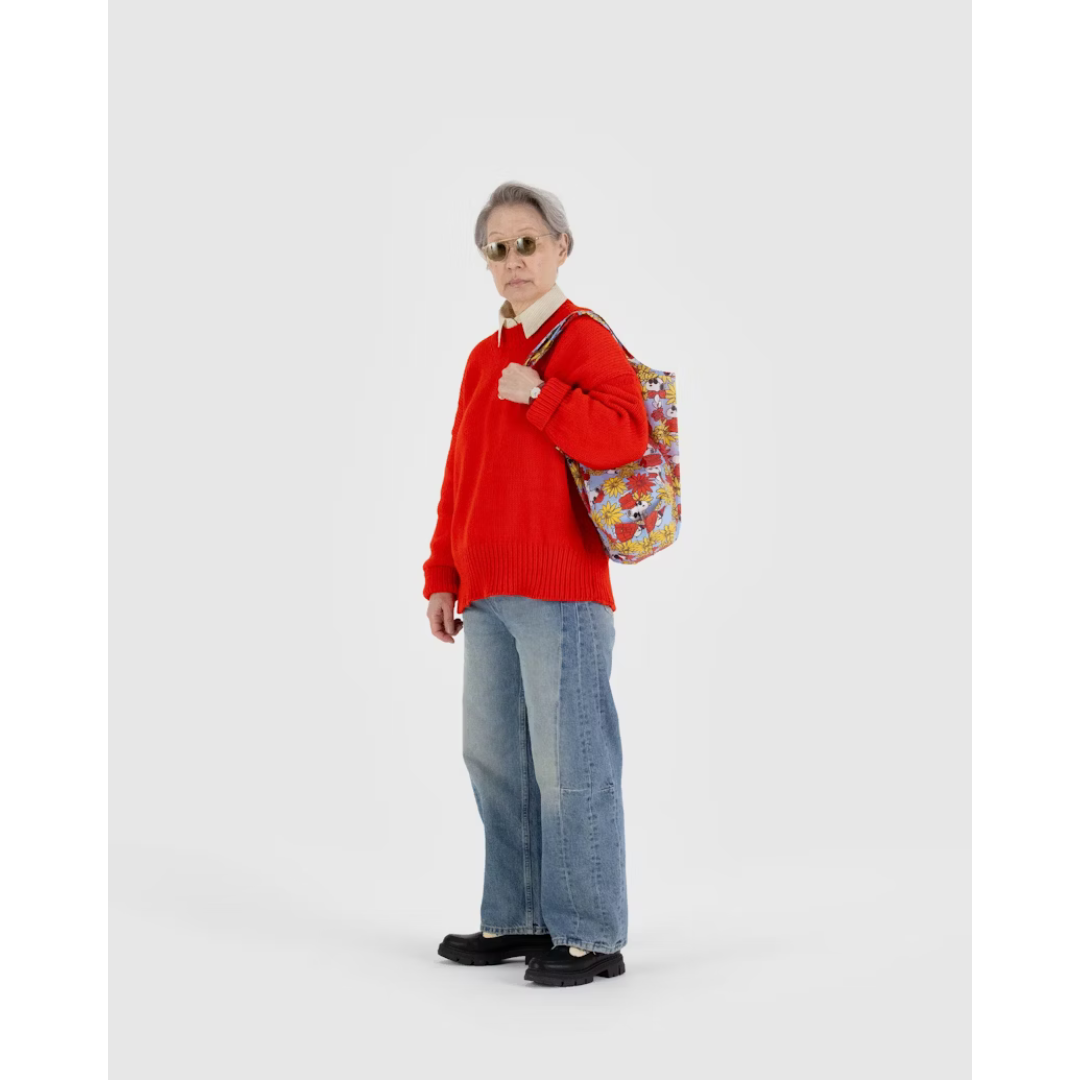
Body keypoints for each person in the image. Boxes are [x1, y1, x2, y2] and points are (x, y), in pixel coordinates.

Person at [424, 181, 648, 987]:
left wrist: (546, 396)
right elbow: (462, 473)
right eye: (498, 247)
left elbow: (627, 438)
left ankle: (591, 933)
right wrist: (442, 574)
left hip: (562, 592)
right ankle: (518, 918)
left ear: (561, 247)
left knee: (573, 765)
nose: (513, 259)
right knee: (495, 761)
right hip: (485, 593)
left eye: (527, 242)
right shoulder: (483, 358)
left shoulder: (581, 339)